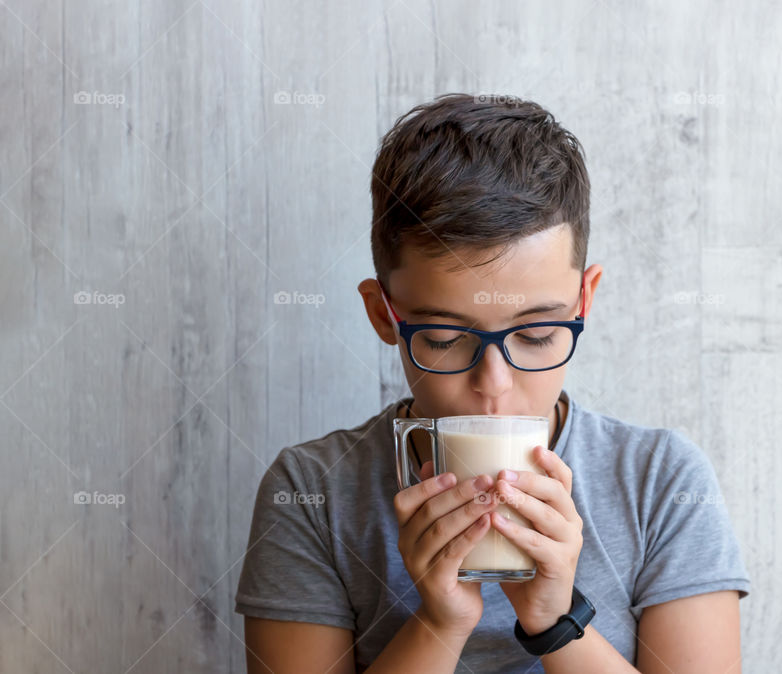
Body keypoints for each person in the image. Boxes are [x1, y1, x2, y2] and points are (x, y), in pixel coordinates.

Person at [235, 93, 750, 673]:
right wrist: (439, 622)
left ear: (584, 302)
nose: (495, 386)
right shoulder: (313, 493)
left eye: (535, 335)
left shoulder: (659, 482)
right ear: (385, 316)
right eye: (444, 339)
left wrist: (556, 621)